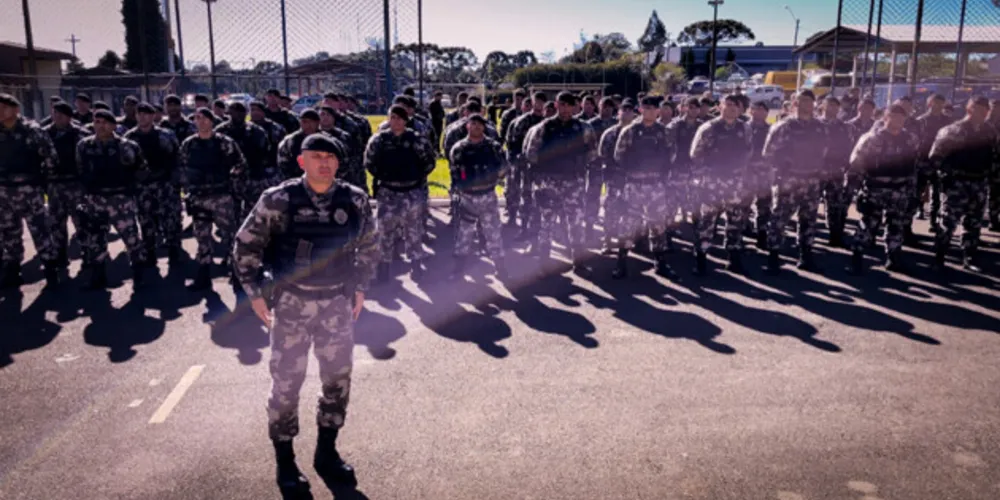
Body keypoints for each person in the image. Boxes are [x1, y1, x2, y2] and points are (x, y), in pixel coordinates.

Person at [232, 133, 378, 495]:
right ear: (301, 161)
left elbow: (370, 246)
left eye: (330, 156)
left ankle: (326, 453)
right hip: (292, 305)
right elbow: (245, 244)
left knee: (337, 381)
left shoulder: (355, 200)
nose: (324, 162)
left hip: (336, 305)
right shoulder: (278, 200)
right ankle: (285, 461)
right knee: (286, 385)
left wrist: (360, 287)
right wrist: (254, 294)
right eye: (316, 156)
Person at [524, 91, 597, 273]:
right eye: (561, 104)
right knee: (546, 222)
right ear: (556, 105)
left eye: (569, 105)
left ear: (575, 106)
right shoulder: (543, 128)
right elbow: (531, 154)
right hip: (549, 182)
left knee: (575, 221)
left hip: (573, 182)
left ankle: (578, 261)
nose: (565, 109)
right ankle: (544, 262)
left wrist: (575, 164)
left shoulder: (584, 128)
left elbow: (592, 153)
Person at [75, 110, 148, 289]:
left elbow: (142, 170)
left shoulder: (127, 146)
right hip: (95, 199)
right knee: (95, 239)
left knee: (131, 238)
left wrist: (131, 189)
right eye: (97, 122)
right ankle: (98, 276)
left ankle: (139, 274)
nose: (100, 126)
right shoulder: (84, 146)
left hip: (120, 199)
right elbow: (80, 170)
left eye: (104, 122)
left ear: (114, 125)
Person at [364, 105, 437, 282]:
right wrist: (385, 176)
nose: (396, 121)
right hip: (388, 191)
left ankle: (416, 264)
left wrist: (414, 177)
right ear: (388, 119)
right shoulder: (379, 140)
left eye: (399, 118)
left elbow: (429, 162)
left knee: (413, 230)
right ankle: (384, 266)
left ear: (405, 120)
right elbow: (369, 162)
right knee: (385, 231)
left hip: (411, 191)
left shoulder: (416, 139)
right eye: (393, 117)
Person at [846, 104, 921, 275]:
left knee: (896, 225)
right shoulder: (872, 139)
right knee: (868, 224)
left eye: (901, 117)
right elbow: (856, 164)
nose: (898, 121)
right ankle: (857, 255)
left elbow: (913, 166)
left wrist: (913, 191)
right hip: (876, 189)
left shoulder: (910, 139)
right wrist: (853, 189)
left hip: (900, 190)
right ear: (885, 118)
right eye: (894, 117)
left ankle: (893, 257)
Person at [179, 108, 248, 290]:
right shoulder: (189, 144)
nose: (200, 121)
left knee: (230, 236)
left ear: (211, 121)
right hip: (199, 198)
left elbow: (240, 165)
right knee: (202, 237)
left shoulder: (224, 143)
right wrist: (189, 190)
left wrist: (232, 188)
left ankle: (237, 274)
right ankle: (203, 276)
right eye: (197, 118)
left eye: (203, 118)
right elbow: (183, 168)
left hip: (221, 197)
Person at [763, 89, 829, 274]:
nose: (806, 104)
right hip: (788, 179)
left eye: (809, 101)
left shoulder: (820, 127)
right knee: (779, 219)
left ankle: (805, 255)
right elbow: (768, 154)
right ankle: (773, 257)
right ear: (794, 103)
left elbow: (823, 151)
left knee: (808, 219)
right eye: (802, 101)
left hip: (812, 179)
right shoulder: (783, 127)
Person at [929, 96, 998, 273]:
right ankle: (939, 258)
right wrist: (943, 179)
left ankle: (969, 257)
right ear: (969, 109)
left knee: (973, 224)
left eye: (985, 110)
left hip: (979, 183)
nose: (982, 113)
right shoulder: (953, 130)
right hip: (957, 184)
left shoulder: (990, 131)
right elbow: (936, 156)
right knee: (947, 223)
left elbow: (994, 156)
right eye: (977, 109)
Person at [611, 96, 677, 279]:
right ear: (639, 109)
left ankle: (660, 262)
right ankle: (621, 263)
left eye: (652, 108)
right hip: (634, 185)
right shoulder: (630, 131)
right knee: (628, 224)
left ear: (658, 111)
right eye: (645, 107)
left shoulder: (664, 132)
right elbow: (619, 156)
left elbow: (671, 156)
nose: (648, 111)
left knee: (658, 225)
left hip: (655, 185)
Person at [0, 93, 61, 288]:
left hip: (29, 191)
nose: (0, 111)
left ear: (16, 109)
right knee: (9, 232)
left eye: (4, 107)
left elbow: (51, 157)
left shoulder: (32, 130)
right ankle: (12, 270)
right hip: (3, 192)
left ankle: (51, 269)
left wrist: (43, 181)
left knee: (40, 231)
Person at [689, 94, 753, 275]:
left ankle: (734, 258)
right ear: (720, 106)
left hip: (735, 183)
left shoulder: (744, 128)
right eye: (728, 104)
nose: (732, 108)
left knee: (735, 221)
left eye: (736, 105)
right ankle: (701, 259)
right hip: (712, 183)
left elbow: (748, 152)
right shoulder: (709, 128)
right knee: (707, 223)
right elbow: (696, 155)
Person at [448, 114, 509, 280]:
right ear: (468, 126)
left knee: (493, 233)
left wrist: (492, 180)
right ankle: (458, 270)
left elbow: (504, 167)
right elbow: (453, 171)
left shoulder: (493, 147)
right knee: (464, 235)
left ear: (484, 127)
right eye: (473, 124)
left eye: (480, 124)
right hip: (467, 197)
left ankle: (501, 268)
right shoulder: (459, 148)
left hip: (487, 195)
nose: (476, 127)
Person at [125, 103, 184, 266]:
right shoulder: (129, 137)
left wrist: (176, 181)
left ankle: (174, 251)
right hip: (143, 186)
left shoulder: (166, 135)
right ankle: (150, 252)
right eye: (139, 114)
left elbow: (177, 158)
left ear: (153, 116)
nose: (142, 117)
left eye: (146, 114)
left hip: (165, 184)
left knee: (171, 219)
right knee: (146, 220)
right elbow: (125, 164)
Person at [44, 101, 89, 269]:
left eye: (60, 114)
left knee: (82, 222)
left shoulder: (80, 134)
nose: (56, 117)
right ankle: (60, 257)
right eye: (54, 113)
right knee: (56, 224)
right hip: (55, 185)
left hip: (76, 185)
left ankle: (88, 255)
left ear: (69, 117)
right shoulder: (44, 134)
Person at [216, 102, 275, 223]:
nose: (237, 115)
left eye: (240, 112)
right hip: (228, 179)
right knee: (229, 214)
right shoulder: (221, 131)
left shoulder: (256, 131)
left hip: (252, 178)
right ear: (229, 113)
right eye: (234, 112)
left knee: (252, 213)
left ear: (245, 114)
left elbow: (265, 153)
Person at [597, 99, 636, 255]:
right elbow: (602, 154)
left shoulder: (638, 131)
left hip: (633, 179)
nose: (626, 113)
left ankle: (629, 241)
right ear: (618, 112)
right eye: (623, 109)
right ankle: (607, 241)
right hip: (614, 178)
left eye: (629, 110)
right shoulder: (610, 133)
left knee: (632, 211)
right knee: (610, 210)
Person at [505, 93, 548, 235]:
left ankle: (536, 228)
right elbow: (512, 143)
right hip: (522, 165)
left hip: (541, 166)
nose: (539, 105)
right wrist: (515, 163)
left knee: (539, 197)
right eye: (537, 102)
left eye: (542, 102)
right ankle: (518, 223)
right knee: (519, 193)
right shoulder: (522, 121)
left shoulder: (546, 122)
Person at [665, 97, 704, 249]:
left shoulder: (702, 126)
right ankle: (667, 237)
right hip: (677, 170)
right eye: (690, 106)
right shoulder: (675, 125)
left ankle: (698, 240)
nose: (693, 110)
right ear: (683, 108)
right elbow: (666, 147)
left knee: (696, 205)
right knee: (671, 205)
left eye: (695, 107)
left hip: (696, 171)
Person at [912, 94, 954, 231]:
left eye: (941, 104)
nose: (938, 106)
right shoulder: (921, 121)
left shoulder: (947, 121)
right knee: (917, 191)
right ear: (929, 104)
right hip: (923, 161)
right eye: (935, 103)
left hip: (940, 162)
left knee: (937, 193)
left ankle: (933, 221)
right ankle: (915, 214)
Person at [818, 96, 855, 248]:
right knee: (810, 205)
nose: (832, 108)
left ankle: (835, 236)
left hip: (836, 172)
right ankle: (807, 238)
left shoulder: (844, 127)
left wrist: (845, 166)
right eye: (829, 105)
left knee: (835, 205)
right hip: (817, 171)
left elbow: (849, 148)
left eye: (835, 106)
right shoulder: (815, 125)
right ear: (823, 106)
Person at [584, 97, 619, 241]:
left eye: (609, 107)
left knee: (612, 199)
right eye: (603, 106)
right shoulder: (590, 124)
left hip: (612, 167)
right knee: (592, 197)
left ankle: (609, 230)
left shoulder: (617, 124)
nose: (606, 109)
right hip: (595, 167)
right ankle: (589, 227)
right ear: (598, 107)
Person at [746, 101, 773, 249]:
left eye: (762, 110)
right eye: (755, 109)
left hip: (764, 172)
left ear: (767, 113)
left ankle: (762, 233)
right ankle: (744, 230)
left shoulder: (771, 129)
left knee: (764, 205)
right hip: (746, 172)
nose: (758, 112)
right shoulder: (744, 128)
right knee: (743, 204)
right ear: (750, 111)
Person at [277, 110, 324, 181]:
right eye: (304, 122)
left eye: (311, 122)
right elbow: (282, 162)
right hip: (295, 180)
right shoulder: (290, 140)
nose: (308, 125)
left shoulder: (326, 140)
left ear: (317, 123)